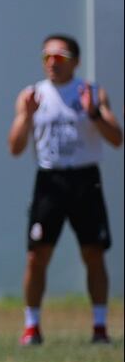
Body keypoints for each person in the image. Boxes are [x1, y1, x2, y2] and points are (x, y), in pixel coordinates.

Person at [8, 33, 122, 346]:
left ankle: (99, 327)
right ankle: (32, 326)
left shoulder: (92, 94)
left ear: (75, 61)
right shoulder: (32, 95)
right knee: (37, 255)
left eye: (59, 58)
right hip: (50, 181)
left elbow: (116, 138)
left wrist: (94, 114)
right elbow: (15, 147)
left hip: (85, 180)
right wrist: (27, 117)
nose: (52, 64)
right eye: (46, 58)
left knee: (93, 253)